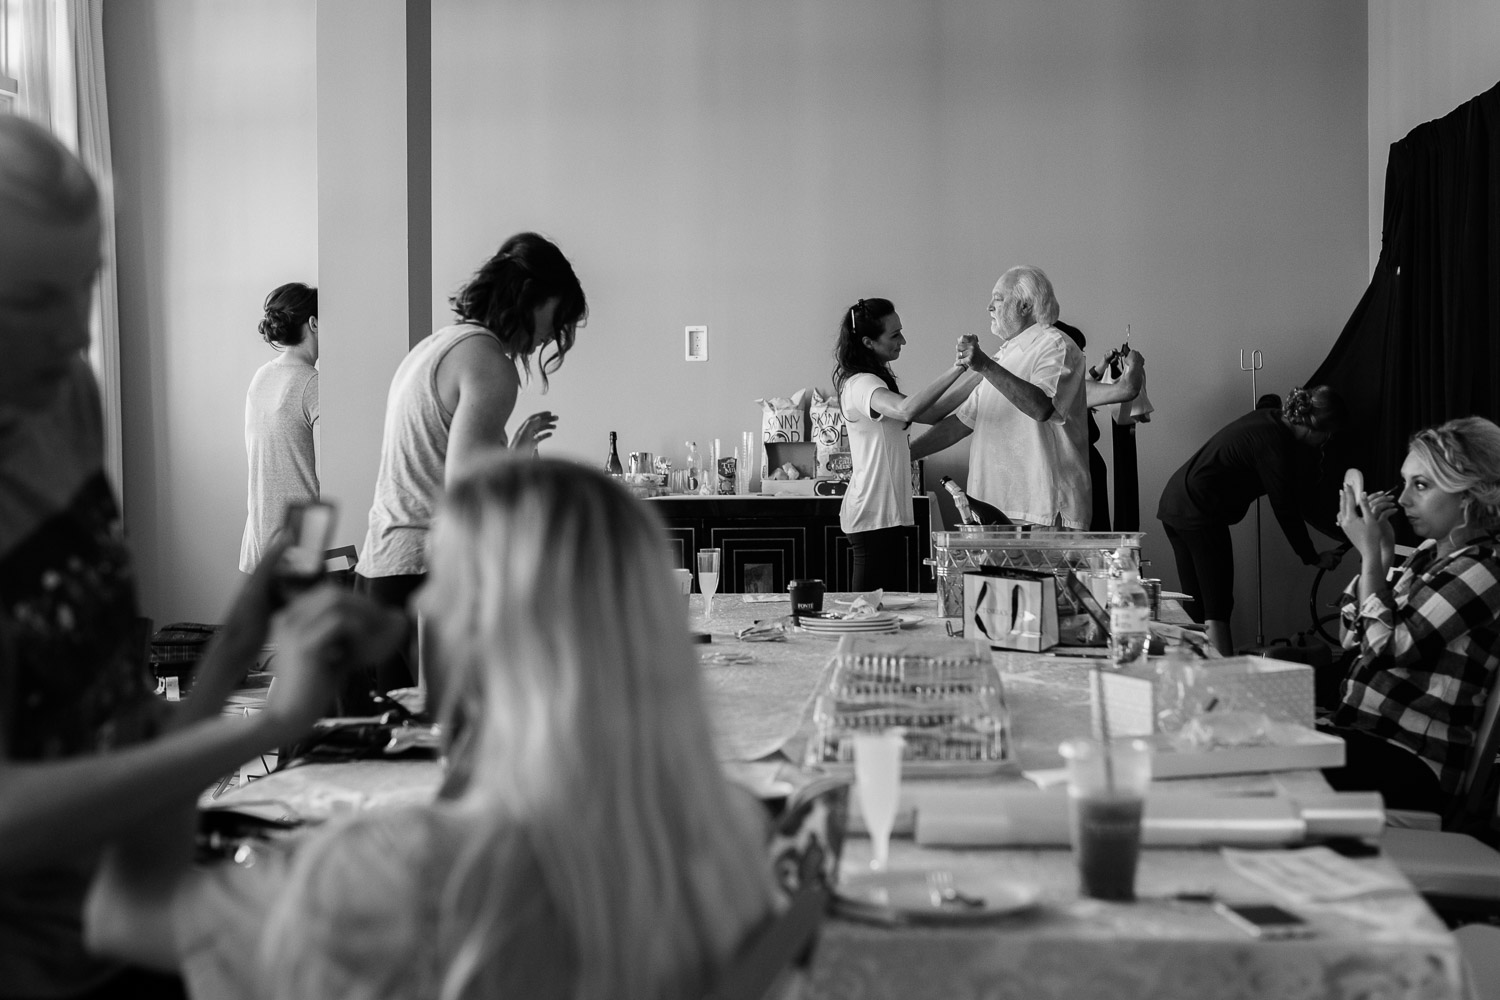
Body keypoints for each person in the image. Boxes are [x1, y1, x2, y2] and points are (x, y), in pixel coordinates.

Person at [87, 457, 779, 1000]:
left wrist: (259, 697)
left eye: (439, 577)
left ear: (481, 633)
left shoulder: (393, 875)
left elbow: (123, 912)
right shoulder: (725, 843)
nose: (418, 598)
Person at [0, 114, 404, 1000]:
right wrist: (264, 722)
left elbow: (122, 731)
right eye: (36, 301)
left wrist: (239, 643)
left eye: (89, 286)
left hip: (138, 919)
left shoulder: (66, 400)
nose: (77, 334)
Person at [357, 232, 586, 691]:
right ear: (529, 297)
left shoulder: (438, 346)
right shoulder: (490, 364)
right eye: (555, 315)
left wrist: (511, 454)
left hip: (381, 571)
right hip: (425, 577)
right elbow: (468, 494)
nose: (550, 334)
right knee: (445, 739)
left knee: (401, 752)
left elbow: (439, 466)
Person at [1321, 417, 1500, 813]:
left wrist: (1368, 558)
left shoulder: (1485, 569)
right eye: (1405, 483)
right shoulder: (1430, 553)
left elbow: (1385, 648)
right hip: (1369, 739)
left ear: (1471, 495)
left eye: (1421, 485)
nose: (1402, 500)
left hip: (1415, 764)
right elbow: (1352, 635)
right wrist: (1382, 556)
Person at [1156, 386, 1347, 656]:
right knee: (1216, 605)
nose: (1326, 442)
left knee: (1197, 604)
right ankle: (1226, 682)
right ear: (1315, 426)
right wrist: (1312, 556)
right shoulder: (1274, 444)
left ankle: (1199, 675)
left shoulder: (1271, 417)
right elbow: (1285, 507)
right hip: (1199, 511)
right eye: (1327, 435)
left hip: (1174, 502)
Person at [910, 265, 1092, 529]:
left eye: (998, 299)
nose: (989, 308)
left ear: (1026, 306)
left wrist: (984, 365)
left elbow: (1042, 408)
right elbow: (961, 424)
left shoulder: (1055, 345)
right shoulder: (1004, 355)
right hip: (993, 511)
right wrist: (904, 455)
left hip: (1042, 511)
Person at [833, 298, 967, 590]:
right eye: (895, 335)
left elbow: (929, 412)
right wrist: (958, 368)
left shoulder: (876, 382)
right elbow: (908, 410)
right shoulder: (861, 384)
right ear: (868, 342)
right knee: (868, 614)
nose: (903, 341)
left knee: (884, 614)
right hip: (871, 517)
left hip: (887, 516)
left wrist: (980, 375)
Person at [239, 282, 319, 574]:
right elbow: (332, 471)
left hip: (259, 539)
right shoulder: (312, 383)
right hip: (299, 546)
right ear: (313, 323)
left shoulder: (261, 377)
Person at [1054, 320, 1145, 531]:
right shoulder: (1063, 389)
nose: (1082, 358)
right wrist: (1135, 364)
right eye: (1078, 352)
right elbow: (1127, 389)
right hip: (1078, 480)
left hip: (1086, 475)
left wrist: (1104, 364)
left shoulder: (1063, 386)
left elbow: (1086, 383)